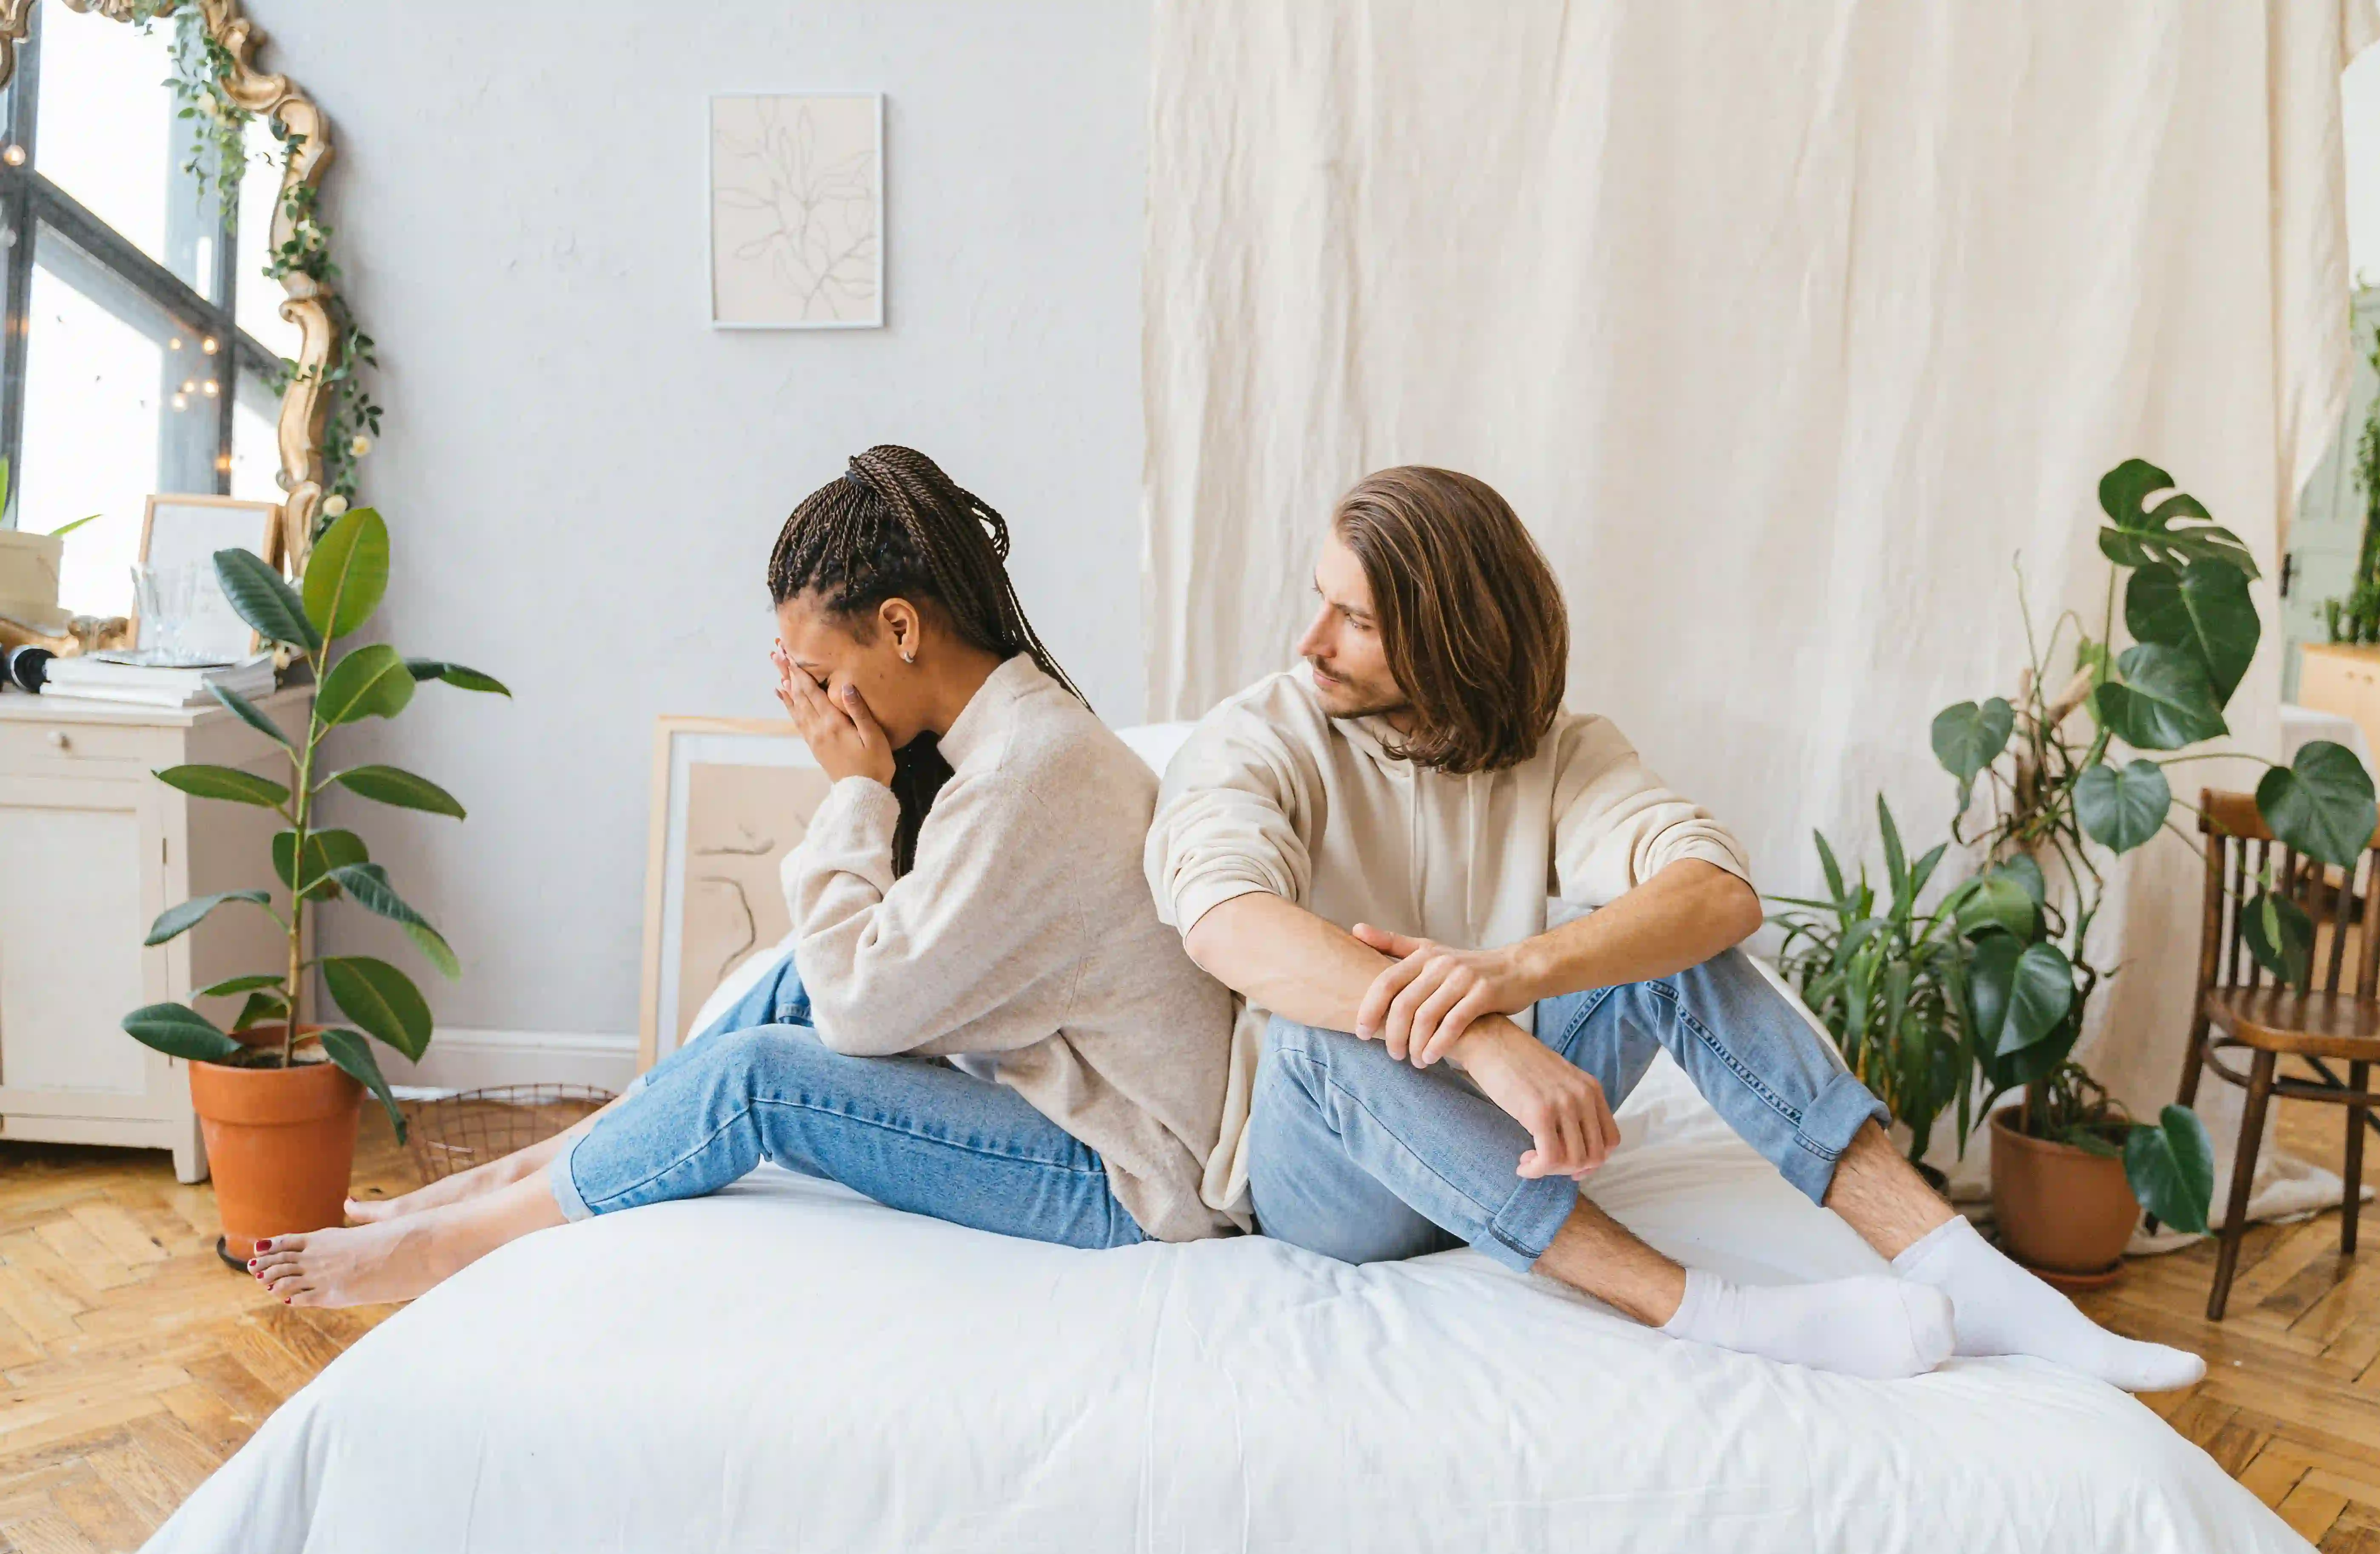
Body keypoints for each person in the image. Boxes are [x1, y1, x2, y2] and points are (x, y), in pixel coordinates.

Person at [1144, 464, 2207, 1388]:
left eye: (1358, 621)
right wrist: (1483, 1033)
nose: (1310, 640)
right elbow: (1226, 922)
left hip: (1503, 1146)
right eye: (1322, 601)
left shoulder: (1555, 747)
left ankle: (1955, 1271)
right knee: (1309, 1033)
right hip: (1338, 1183)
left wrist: (1516, 970)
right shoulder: (1258, 737)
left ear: (1452, 639)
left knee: (1663, 939)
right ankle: (1711, 1312)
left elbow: (1713, 890)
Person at [251, 446, 1243, 1307]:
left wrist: (859, 790)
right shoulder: (1016, 741)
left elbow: (860, 1015)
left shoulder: (1034, 771)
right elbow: (865, 977)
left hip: (1134, 1180)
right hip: (1091, 1118)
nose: (808, 704)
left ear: (900, 627)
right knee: (789, 979)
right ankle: (528, 1169)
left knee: (756, 1077)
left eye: (817, 674)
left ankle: (449, 1240)